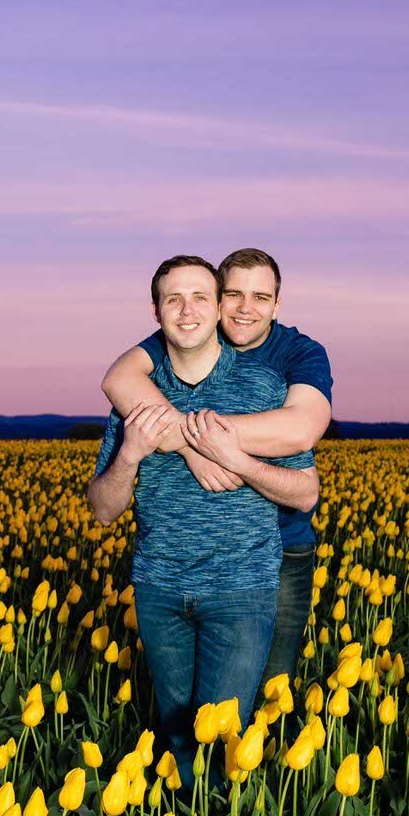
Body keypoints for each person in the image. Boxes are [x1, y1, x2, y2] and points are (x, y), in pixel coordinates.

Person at [86, 255, 317, 788]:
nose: (186, 311)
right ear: (155, 312)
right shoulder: (135, 400)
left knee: (223, 742)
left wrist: (234, 458)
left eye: (199, 299)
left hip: (240, 589)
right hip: (159, 587)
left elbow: (305, 493)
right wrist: (131, 454)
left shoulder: (263, 390)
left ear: (219, 311)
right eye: (173, 300)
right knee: (177, 739)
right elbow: (102, 510)